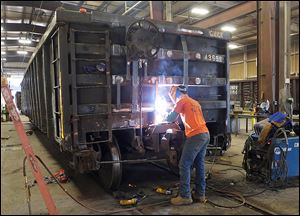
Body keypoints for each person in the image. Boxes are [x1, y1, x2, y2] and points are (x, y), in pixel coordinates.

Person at [165, 85, 210, 205]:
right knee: (199, 164)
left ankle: (185, 196)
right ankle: (200, 194)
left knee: (184, 164)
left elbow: (171, 118)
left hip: (195, 136)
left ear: (175, 94)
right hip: (205, 134)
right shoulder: (194, 102)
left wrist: (165, 115)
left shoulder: (181, 101)